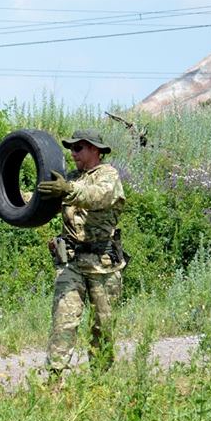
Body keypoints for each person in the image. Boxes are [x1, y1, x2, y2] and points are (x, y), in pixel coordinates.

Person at [38, 128, 126, 381]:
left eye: (79, 148)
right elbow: (40, 201)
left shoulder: (108, 175)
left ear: (95, 150)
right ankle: (55, 379)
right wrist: (10, 198)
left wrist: (67, 190)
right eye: (71, 148)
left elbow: (98, 196)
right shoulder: (70, 179)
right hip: (72, 263)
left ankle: (100, 380)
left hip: (103, 265)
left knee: (103, 326)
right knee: (63, 321)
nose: (73, 153)